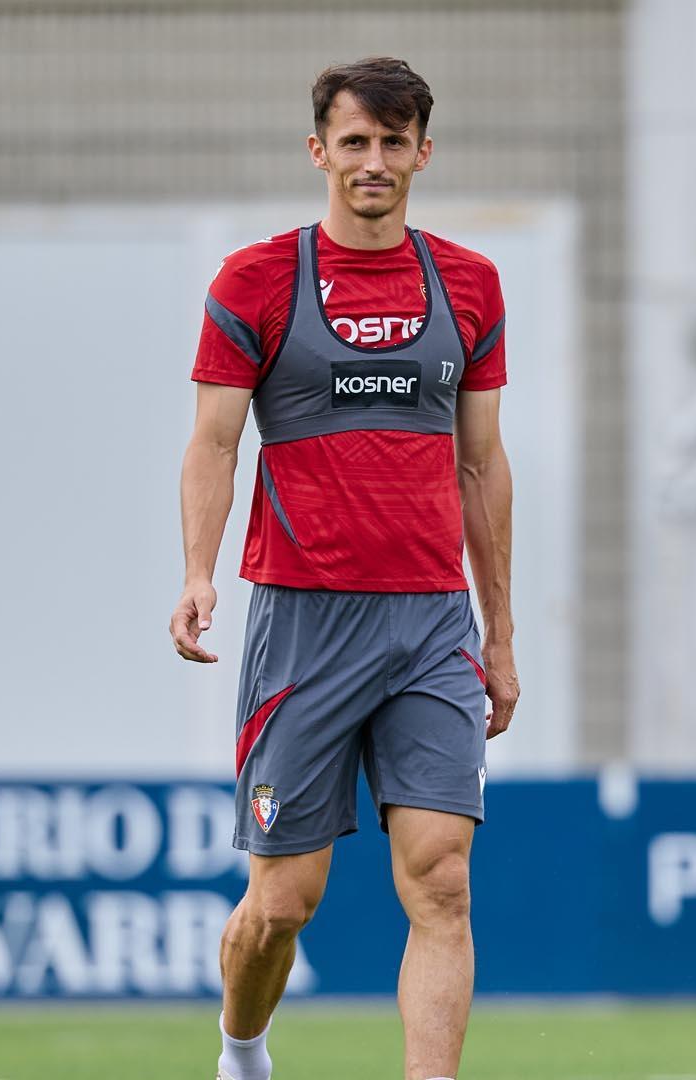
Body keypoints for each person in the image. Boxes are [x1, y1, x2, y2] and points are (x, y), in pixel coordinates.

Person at [169, 56, 518, 1080]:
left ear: (423, 152)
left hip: (431, 624)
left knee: (441, 881)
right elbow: (215, 442)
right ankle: (242, 1049)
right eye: (354, 141)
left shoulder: (471, 285)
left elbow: (482, 465)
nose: (374, 161)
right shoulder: (256, 280)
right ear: (318, 150)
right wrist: (199, 573)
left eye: (392, 142)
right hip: (304, 623)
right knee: (284, 903)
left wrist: (500, 635)